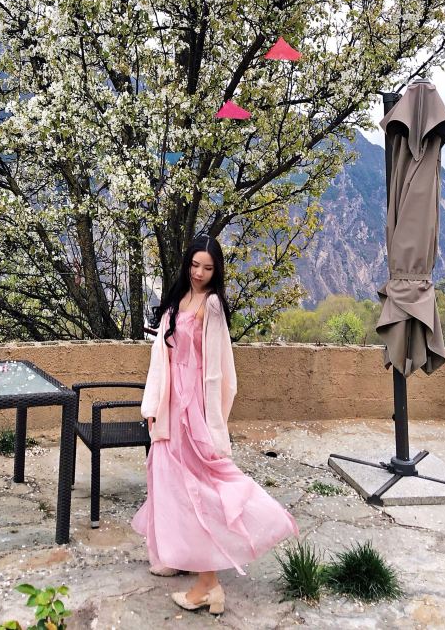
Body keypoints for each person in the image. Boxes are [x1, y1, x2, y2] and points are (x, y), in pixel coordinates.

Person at [132, 234, 298, 615]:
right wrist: (155, 402)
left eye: (207, 268)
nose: (199, 273)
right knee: (167, 478)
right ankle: (177, 553)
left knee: (194, 487)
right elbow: (162, 354)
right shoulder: (178, 297)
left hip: (192, 407)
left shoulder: (211, 305)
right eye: (194, 265)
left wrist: (211, 420)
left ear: (216, 270)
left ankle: (209, 584)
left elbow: (218, 371)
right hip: (171, 401)